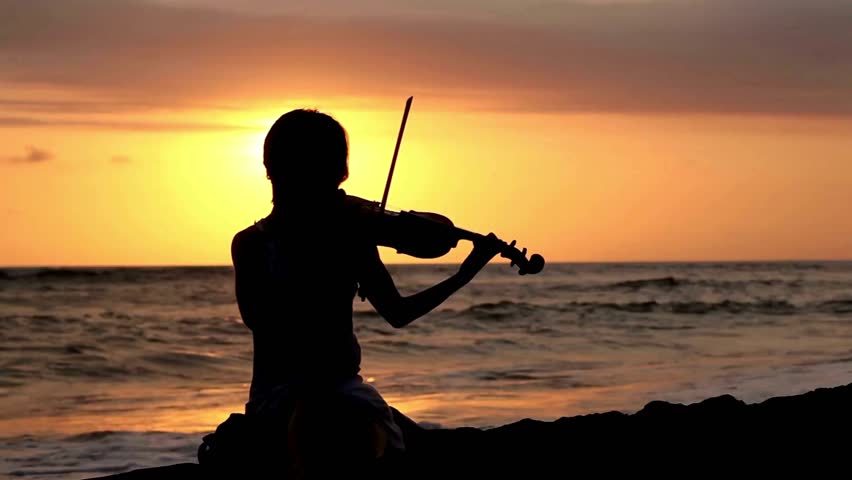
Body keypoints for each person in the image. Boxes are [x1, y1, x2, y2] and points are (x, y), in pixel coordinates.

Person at [229, 108, 501, 476]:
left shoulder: (257, 243)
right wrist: (462, 275)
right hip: (305, 398)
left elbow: (260, 321)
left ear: (269, 167)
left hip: (288, 398)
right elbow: (398, 313)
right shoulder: (340, 235)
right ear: (338, 171)